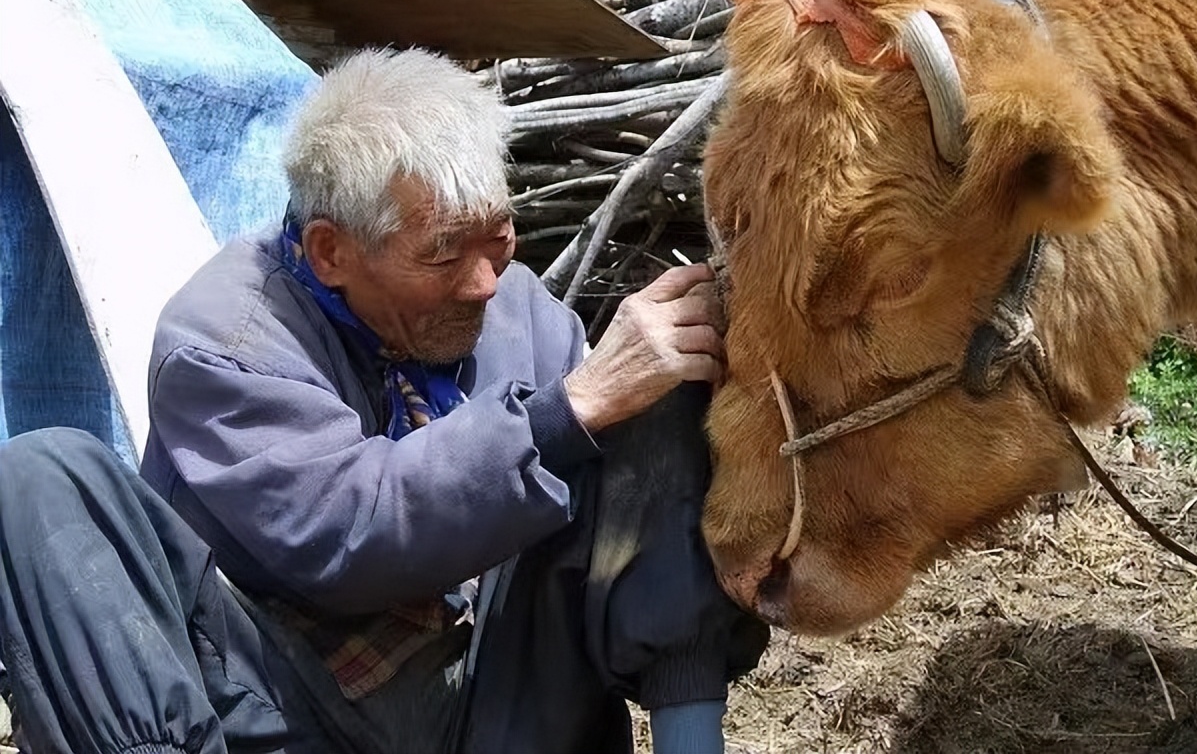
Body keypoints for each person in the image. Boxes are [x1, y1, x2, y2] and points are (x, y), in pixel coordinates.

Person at [0, 47, 766, 754]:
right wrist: (564, 414)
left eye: (497, 237)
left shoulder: (513, 307)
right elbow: (352, 534)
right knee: (41, 477)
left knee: (651, 402)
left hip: (495, 707)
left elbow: (619, 495)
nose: (484, 283)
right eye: (442, 253)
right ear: (332, 252)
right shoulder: (224, 341)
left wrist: (633, 392)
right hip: (288, 711)